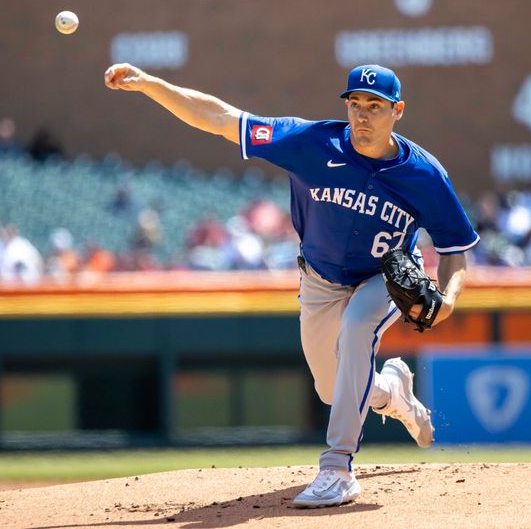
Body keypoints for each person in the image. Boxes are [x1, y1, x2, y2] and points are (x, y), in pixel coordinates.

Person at [104, 62, 479, 508]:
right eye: (355, 103)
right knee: (333, 388)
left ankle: (337, 467)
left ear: (398, 110)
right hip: (320, 280)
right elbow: (220, 118)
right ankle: (391, 392)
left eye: (375, 106)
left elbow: (456, 249)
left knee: (359, 328)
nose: (362, 115)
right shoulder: (309, 143)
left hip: (383, 279)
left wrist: (449, 300)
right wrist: (150, 84)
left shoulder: (424, 175)